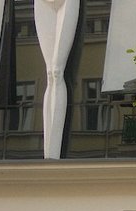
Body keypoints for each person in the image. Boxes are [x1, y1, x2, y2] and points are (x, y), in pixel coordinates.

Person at [34, 0, 80, 159]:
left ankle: (53, 154)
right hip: (43, 3)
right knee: (50, 73)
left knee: (56, 71)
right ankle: (49, 154)